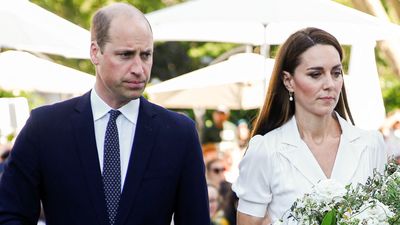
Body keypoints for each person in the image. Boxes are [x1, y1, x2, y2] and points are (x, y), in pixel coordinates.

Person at [0, 3, 209, 225]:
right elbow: (10, 214)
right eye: (125, 55)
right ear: (95, 52)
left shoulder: (179, 133)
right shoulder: (45, 127)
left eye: (146, 55)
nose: (139, 68)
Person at [232, 27, 387, 225]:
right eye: (316, 74)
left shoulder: (371, 144)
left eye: (336, 73)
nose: (330, 84)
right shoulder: (266, 151)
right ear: (288, 80)